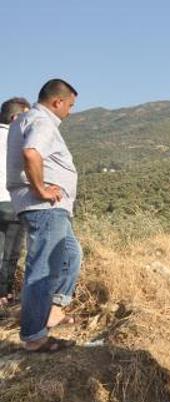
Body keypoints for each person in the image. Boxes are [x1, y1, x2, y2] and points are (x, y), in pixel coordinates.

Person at [7, 80, 80, 352]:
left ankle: (52, 311)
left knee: (72, 255)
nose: (70, 112)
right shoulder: (41, 121)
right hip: (44, 208)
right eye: (70, 105)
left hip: (49, 209)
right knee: (43, 269)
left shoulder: (26, 119)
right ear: (57, 102)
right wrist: (41, 189)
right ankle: (34, 337)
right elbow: (31, 153)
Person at [0, 97, 30, 306]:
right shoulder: (16, 137)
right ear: (16, 117)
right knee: (9, 253)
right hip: (9, 202)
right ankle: (3, 296)